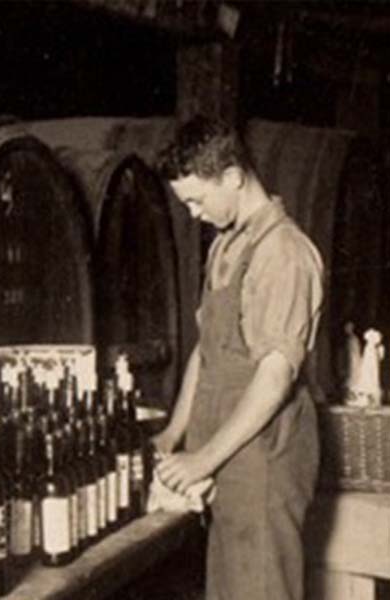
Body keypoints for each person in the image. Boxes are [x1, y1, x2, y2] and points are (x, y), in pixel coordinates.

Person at [152, 115, 323, 600]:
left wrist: (202, 458)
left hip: (263, 460)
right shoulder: (227, 244)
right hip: (225, 459)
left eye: (197, 200)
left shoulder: (284, 252)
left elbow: (274, 379)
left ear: (232, 176)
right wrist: (173, 434)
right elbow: (206, 355)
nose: (192, 214)